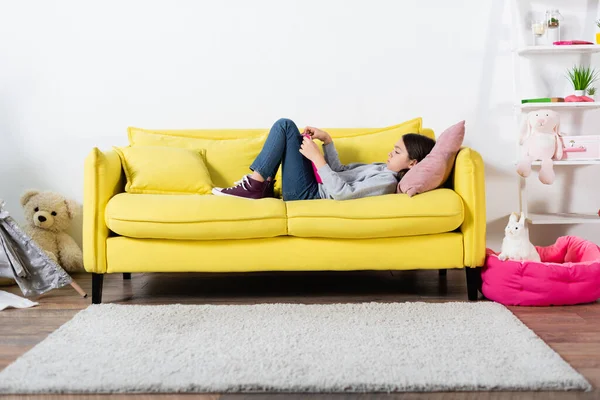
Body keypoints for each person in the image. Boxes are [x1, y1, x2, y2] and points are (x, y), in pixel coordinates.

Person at [212, 118, 435, 201]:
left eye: (396, 152)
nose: (390, 153)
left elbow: (342, 193)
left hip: (309, 195)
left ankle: (256, 185)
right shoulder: (380, 167)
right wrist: (327, 141)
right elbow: (340, 169)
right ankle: (259, 185)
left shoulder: (386, 182)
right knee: (289, 129)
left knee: (285, 126)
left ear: (412, 163)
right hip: (313, 185)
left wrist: (317, 159)